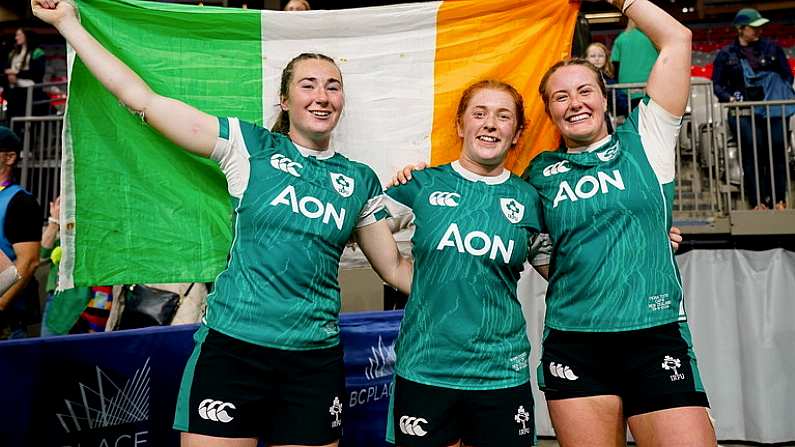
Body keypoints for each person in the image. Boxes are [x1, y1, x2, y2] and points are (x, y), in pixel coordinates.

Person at [32, 1, 411, 446]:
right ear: (285, 100)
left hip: (314, 361)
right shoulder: (247, 147)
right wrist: (67, 25)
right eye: (308, 85)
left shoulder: (358, 179)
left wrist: (475, 278)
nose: (322, 96)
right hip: (233, 351)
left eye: (333, 86)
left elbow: (396, 270)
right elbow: (143, 101)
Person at [528, 0, 717, 445]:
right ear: (550, 111)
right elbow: (534, 245)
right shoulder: (538, 172)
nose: (575, 103)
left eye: (584, 91)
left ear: (604, 94)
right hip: (575, 341)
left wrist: (625, 1)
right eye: (561, 96)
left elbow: (677, 39)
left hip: (654, 335)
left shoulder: (645, 136)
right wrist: (600, 265)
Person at [385, 80, 546, 447]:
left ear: (517, 133)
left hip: (501, 373)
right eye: (480, 113)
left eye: (503, 116)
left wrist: (645, 235)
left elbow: (566, 271)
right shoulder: (420, 184)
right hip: (426, 368)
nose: (490, 123)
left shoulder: (528, 198)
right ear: (460, 125)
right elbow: (355, 229)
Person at [712, 8, 792, 210]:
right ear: (740, 29)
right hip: (743, 112)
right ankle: (757, 202)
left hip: (773, 111)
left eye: (761, 27)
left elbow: (787, 76)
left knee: (777, 152)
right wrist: (731, 98)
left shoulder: (773, 48)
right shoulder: (726, 54)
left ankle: (779, 200)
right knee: (752, 153)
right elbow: (718, 86)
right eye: (754, 27)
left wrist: (771, 90)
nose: (759, 30)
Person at [0, 126, 41, 340]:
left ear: (9, 157)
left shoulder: (20, 202)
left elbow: (29, 261)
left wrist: (1, 304)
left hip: (8, 323)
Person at [611, 19, 658, 110]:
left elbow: (615, 64)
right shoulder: (654, 38)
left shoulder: (621, 39)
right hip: (651, 87)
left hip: (626, 90)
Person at [4, 28, 48, 119]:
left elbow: (38, 73)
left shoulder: (37, 53)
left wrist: (16, 74)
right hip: (13, 91)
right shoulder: (13, 53)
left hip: (29, 92)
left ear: (27, 36)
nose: (16, 38)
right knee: (13, 118)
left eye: (19, 35)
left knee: (26, 117)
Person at [585, 42, 627, 123]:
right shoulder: (582, 77)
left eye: (601, 56)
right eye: (592, 56)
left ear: (606, 58)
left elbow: (620, 99)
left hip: (608, 117)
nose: (597, 59)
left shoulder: (609, 78)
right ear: (586, 58)